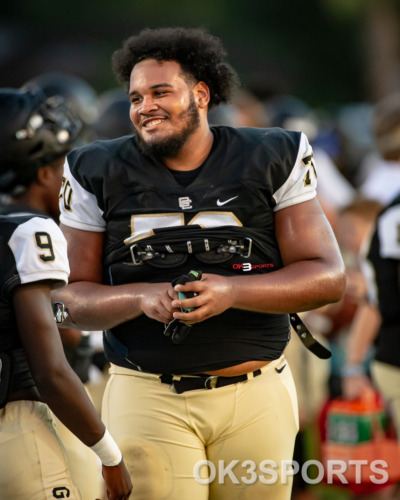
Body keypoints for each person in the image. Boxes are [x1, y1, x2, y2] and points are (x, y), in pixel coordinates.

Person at [54, 27, 346, 500]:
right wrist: (140, 296)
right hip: (148, 391)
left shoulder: (272, 154)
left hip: (256, 389)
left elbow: (328, 278)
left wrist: (233, 292)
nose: (144, 106)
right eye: (134, 97)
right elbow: (65, 300)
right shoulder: (95, 168)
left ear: (202, 94)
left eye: (160, 92)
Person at [0, 87, 132, 500]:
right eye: (65, 164)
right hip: (19, 425)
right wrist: (111, 456)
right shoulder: (30, 230)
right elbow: (53, 367)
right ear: (42, 174)